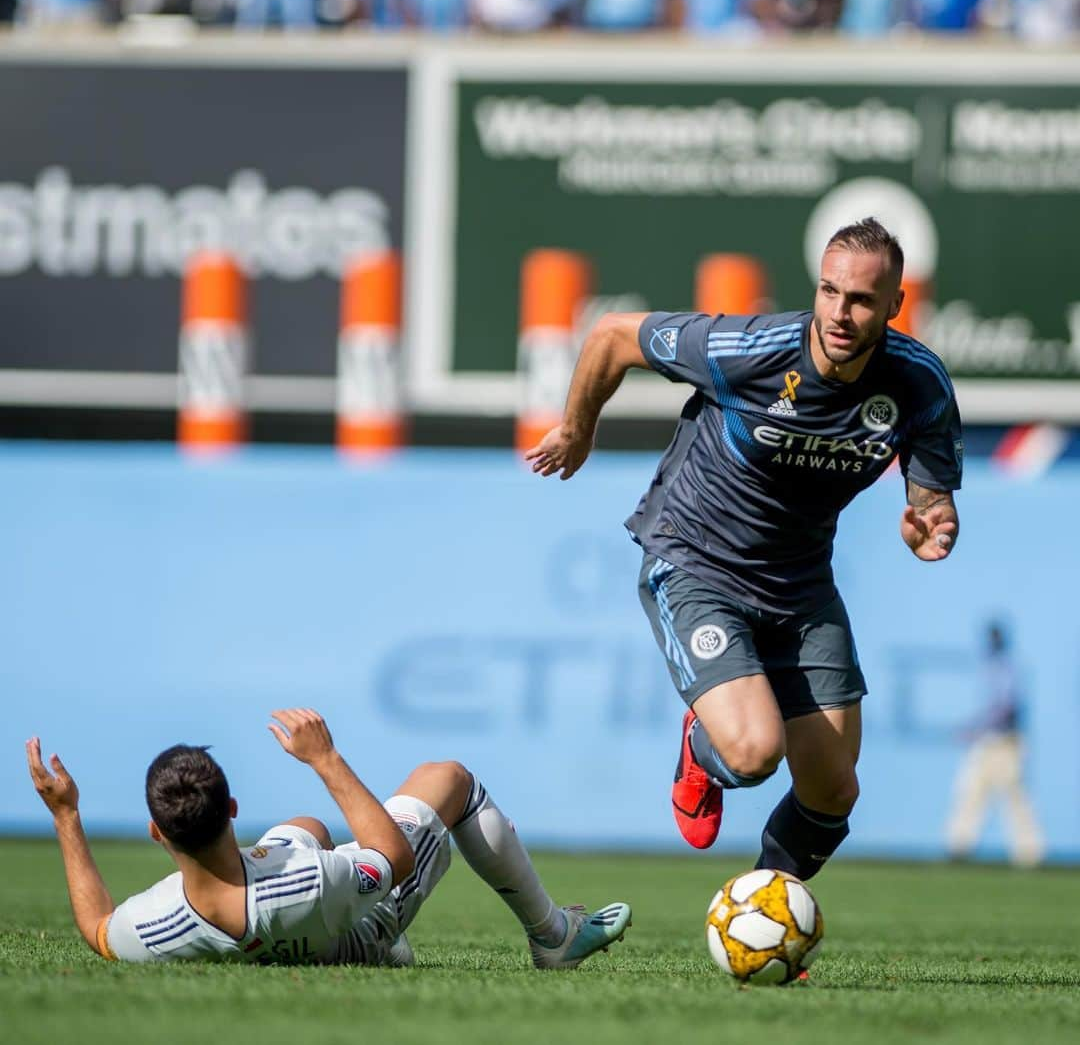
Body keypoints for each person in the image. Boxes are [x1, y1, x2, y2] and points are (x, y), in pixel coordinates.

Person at [527, 218, 962, 882]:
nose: (841, 313)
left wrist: (930, 522)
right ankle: (703, 751)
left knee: (833, 791)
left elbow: (929, 501)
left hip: (800, 585)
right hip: (696, 560)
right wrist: (578, 429)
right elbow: (612, 336)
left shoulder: (919, 384)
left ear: (894, 306)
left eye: (862, 300)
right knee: (755, 752)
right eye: (829, 292)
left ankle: (766, 908)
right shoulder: (746, 348)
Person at [25, 707, 631, 967]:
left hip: (278, 917)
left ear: (158, 833)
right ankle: (553, 936)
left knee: (306, 828)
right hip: (355, 926)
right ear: (231, 808)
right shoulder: (312, 879)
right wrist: (325, 759)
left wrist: (66, 817)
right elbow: (388, 859)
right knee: (446, 780)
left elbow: (96, 928)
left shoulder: (151, 927)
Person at [944, 622, 1044, 866]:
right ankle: (959, 847)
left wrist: (975, 729)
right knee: (970, 792)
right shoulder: (993, 667)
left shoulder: (1007, 668)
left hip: (1005, 743)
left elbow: (1006, 708)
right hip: (989, 741)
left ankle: (1030, 854)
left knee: (1014, 798)